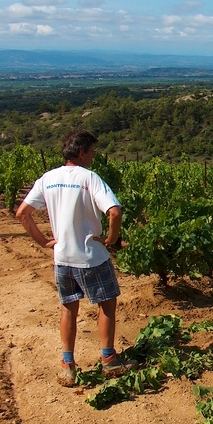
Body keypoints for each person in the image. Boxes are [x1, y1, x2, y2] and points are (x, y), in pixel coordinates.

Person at [16, 131, 137, 387]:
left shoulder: (48, 178)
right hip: (91, 257)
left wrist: (44, 242)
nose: (93, 156)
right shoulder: (90, 178)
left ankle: (67, 365)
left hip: (63, 258)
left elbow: (22, 213)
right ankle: (108, 359)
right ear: (81, 153)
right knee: (106, 304)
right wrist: (111, 240)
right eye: (92, 151)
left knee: (68, 308)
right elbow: (114, 212)